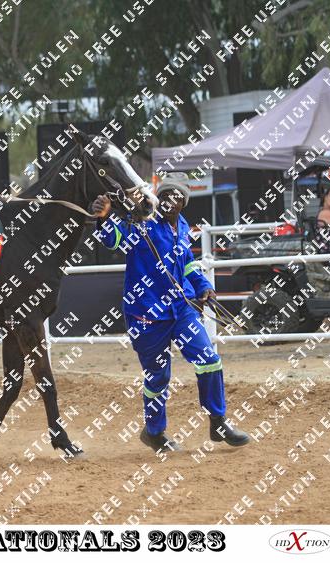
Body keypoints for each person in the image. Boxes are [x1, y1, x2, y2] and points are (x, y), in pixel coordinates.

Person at [91, 173, 250, 454]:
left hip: (181, 308)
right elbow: (115, 240)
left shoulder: (183, 226)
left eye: (175, 197)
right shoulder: (143, 222)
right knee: (157, 376)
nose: (168, 201)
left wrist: (203, 286)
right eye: (164, 196)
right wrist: (104, 220)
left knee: (209, 360)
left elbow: (187, 263)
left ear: (183, 202)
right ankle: (154, 432)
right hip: (146, 314)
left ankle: (218, 421)